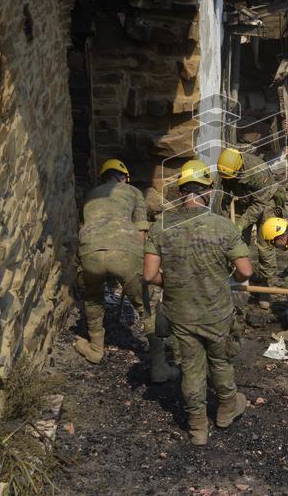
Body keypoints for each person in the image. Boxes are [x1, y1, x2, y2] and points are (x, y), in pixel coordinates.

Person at [143, 160, 254, 445]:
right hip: (216, 311)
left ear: (181, 192)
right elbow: (245, 272)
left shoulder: (161, 227)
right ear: (208, 191)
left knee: (191, 368)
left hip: (181, 314)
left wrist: (171, 283)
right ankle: (227, 409)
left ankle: (197, 428)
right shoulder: (223, 226)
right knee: (220, 360)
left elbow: (149, 275)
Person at [76, 158, 174, 384]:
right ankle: (159, 367)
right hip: (125, 251)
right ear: (124, 177)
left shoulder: (91, 195)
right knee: (145, 307)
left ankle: (95, 348)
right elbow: (142, 231)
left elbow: (85, 226)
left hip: (90, 250)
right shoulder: (133, 192)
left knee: (93, 299)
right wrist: (140, 264)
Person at [217, 147, 286, 308]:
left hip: (265, 203)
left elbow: (259, 204)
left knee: (265, 246)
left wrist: (241, 224)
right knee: (236, 242)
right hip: (242, 202)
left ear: (240, 168)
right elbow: (225, 198)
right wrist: (227, 223)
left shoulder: (258, 171)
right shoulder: (226, 170)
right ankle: (238, 279)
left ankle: (266, 286)